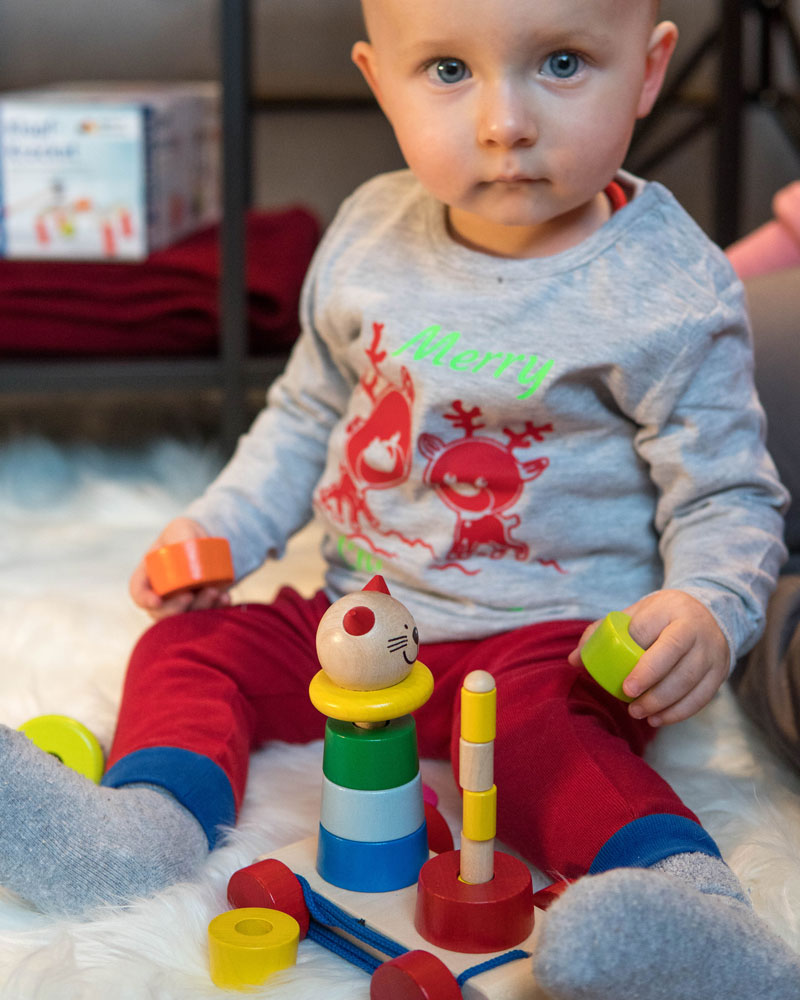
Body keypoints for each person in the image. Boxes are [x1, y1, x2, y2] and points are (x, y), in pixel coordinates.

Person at [1, 0, 797, 996]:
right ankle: (140, 828)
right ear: (381, 84)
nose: (504, 122)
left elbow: (724, 487)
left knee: (558, 751)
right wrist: (220, 528)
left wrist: (705, 608)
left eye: (559, 62)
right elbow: (305, 410)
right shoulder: (371, 233)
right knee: (188, 645)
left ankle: (690, 908)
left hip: (543, 638)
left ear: (646, 71)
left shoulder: (664, 287)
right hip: (358, 621)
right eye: (449, 72)